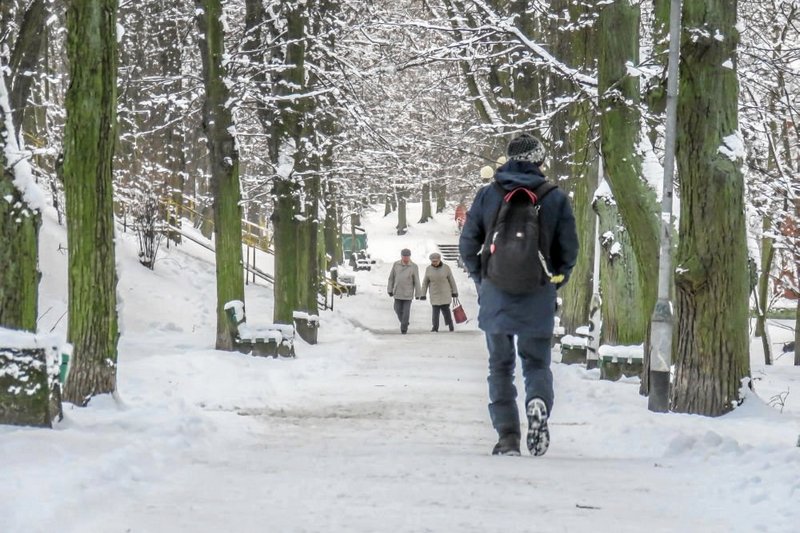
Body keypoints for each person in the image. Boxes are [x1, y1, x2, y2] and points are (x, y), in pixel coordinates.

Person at [459, 133, 579, 457]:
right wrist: (555, 280)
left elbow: (467, 243)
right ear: (539, 160)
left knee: (500, 366)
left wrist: (482, 279)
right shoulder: (554, 198)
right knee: (536, 363)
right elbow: (569, 251)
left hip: (496, 293)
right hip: (537, 292)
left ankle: (508, 437)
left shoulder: (488, 195)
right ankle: (537, 401)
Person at [420, 252, 459, 332]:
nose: (434, 263)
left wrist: (454, 291)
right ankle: (435, 327)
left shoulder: (446, 268)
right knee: (435, 312)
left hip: (445, 293)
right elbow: (425, 282)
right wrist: (423, 294)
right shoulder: (428, 269)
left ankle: (450, 325)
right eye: (433, 261)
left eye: (436, 261)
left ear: (439, 260)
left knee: (446, 311)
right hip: (434, 294)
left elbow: (452, 281)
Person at [387, 248, 422, 334]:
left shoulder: (414, 266)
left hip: (408, 293)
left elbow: (417, 280)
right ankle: (405, 322)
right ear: (401, 256)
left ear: (409, 256)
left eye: (407, 256)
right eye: (404, 256)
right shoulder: (396, 264)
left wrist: (418, 294)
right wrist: (389, 289)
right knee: (397, 309)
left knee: (406, 311)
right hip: (397, 291)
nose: (406, 258)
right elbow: (391, 278)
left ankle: (404, 328)